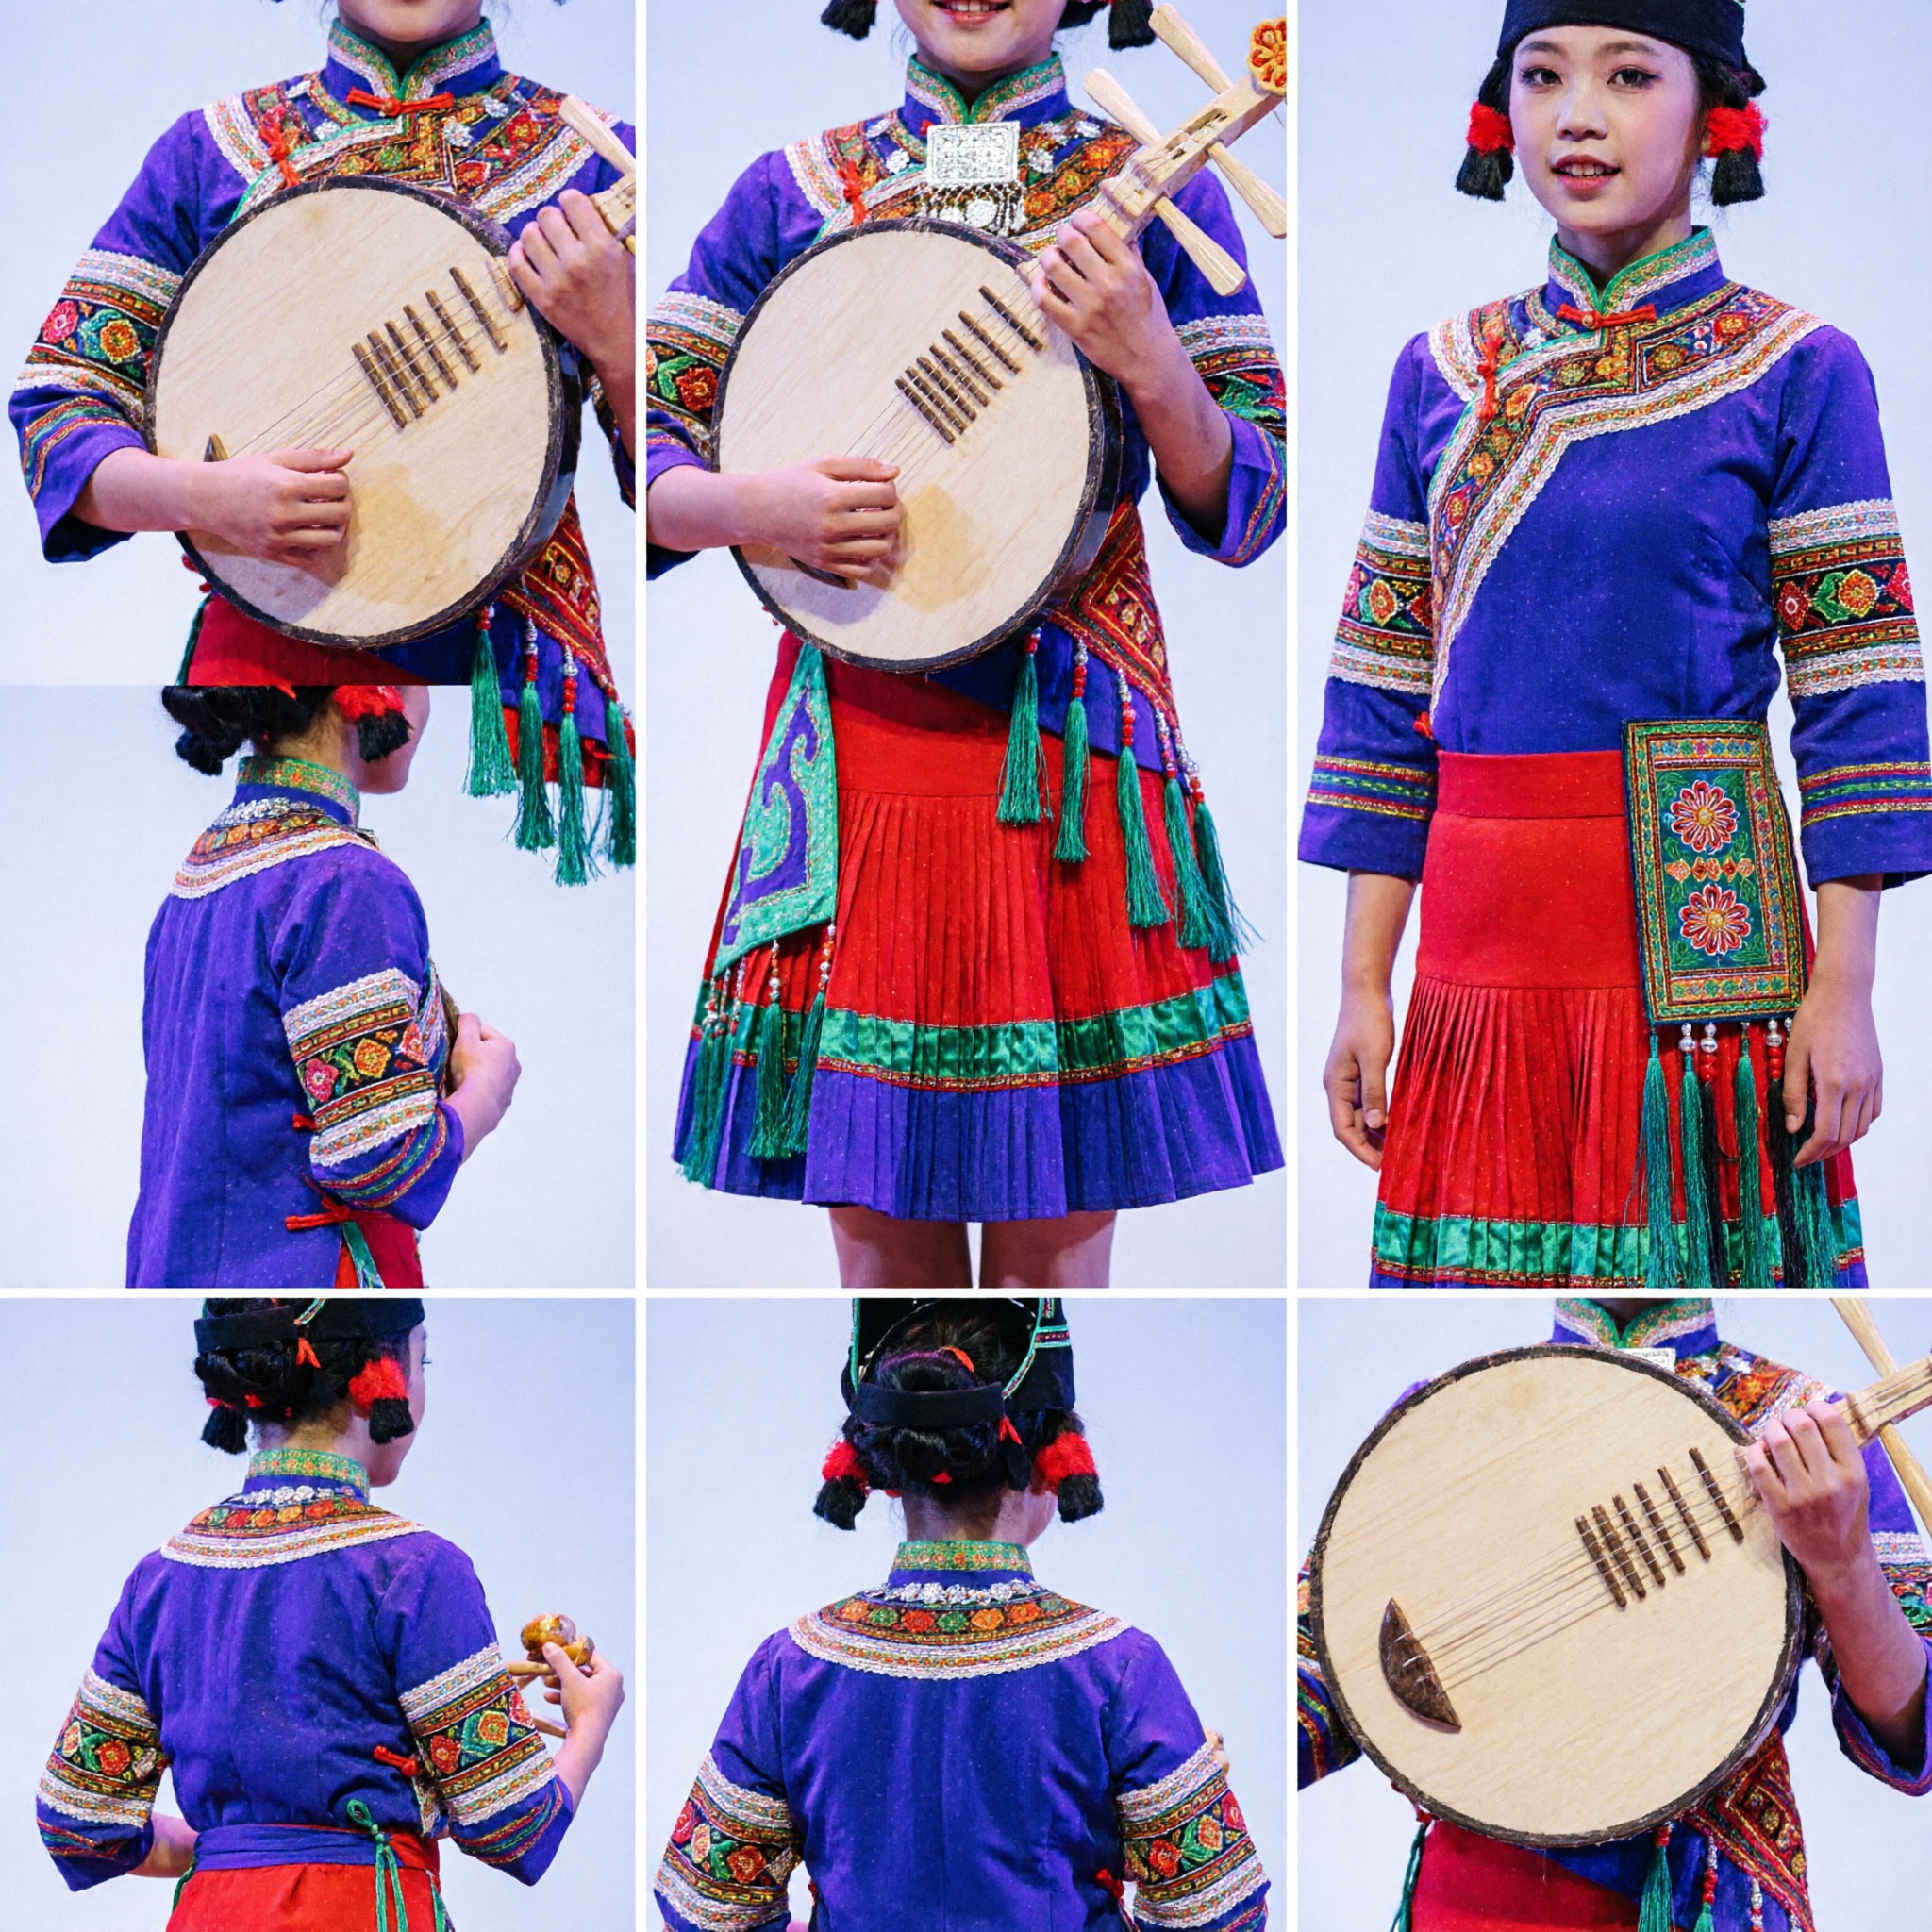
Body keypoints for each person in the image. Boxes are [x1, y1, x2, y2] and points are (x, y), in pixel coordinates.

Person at [647, 0, 1287, 1288]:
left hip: (1064, 760)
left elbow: (1251, 509)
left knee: (1053, 1269)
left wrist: (1150, 355)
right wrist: (754, 507)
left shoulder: (1157, 196)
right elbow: (648, 461)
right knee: (887, 1264)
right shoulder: (795, 193)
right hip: (860, 754)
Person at [1299, 0, 1932, 1287]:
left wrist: (1847, 987)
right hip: (1477, 954)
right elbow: (1384, 683)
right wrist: (1367, 984)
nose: (1578, 114)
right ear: (1502, 110)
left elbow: (1859, 690)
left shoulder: (1798, 370)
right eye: (1543, 75)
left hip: (1702, 968)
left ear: (1715, 114)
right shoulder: (1440, 374)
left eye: (1630, 75)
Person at [13, 0, 638, 885]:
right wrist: (204, 499)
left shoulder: (600, 163)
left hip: (501, 681)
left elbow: (669, 494)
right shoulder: (212, 155)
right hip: (273, 650)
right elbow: (61, 404)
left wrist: (613, 339)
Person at [1298, 1296, 1932, 1930]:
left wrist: (1844, 1565)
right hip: (1472, 1898)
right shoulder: (1452, 1410)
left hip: (1696, 1895)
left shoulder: (1805, 1430)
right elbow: (1325, 1684)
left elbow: (1912, 1740)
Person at [655, 1296, 1269, 1929]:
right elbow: (1219, 1918)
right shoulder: (1121, 1669)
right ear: (1050, 1460)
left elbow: (707, 1913)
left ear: (887, 1469)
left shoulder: (788, 1670)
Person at [36, 1297, 626, 1927]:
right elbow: (517, 1829)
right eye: (420, 1358)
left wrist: (242, 1850)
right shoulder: (416, 1570)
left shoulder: (160, 1579)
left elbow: (79, 1823)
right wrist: (589, 1727)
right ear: (383, 1379)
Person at [128, 684, 521, 1288]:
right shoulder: (343, 882)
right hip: (306, 1283)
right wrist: (482, 1100)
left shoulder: (197, 878)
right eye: (415, 674)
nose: (429, 704)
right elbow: (381, 1159)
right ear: (364, 693)